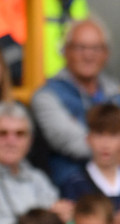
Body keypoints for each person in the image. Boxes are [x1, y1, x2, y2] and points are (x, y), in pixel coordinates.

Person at [31, 17, 120, 191]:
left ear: (106, 54)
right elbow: (73, 143)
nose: (88, 55)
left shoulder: (115, 93)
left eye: (96, 48)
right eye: (81, 48)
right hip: (71, 189)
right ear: (65, 51)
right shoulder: (47, 95)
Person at [63, 103, 120, 210]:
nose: (105, 144)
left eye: (113, 135)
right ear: (88, 138)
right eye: (99, 134)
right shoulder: (75, 184)